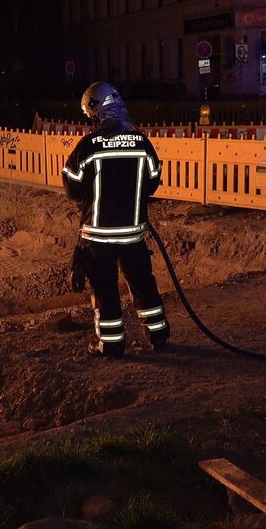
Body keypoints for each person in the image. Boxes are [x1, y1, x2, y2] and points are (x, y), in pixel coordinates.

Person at [63, 82, 170, 357]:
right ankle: (158, 335)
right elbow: (153, 180)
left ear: (97, 110)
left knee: (105, 288)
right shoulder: (141, 142)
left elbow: (72, 186)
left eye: (91, 116)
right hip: (133, 233)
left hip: (98, 236)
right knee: (143, 283)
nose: (91, 122)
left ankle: (111, 344)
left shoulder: (88, 146)